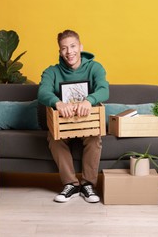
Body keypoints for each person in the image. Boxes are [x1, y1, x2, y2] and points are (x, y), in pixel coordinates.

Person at [38, 30, 109, 203]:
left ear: (80, 47)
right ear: (60, 52)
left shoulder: (95, 67)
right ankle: (70, 184)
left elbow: (104, 89)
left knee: (94, 138)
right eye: (64, 48)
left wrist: (89, 101)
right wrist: (57, 103)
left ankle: (88, 185)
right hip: (63, 124)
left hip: (87, 122)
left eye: (72, 46)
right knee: (54, 138)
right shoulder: (51, 72)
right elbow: (42, 92)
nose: (69, 52)